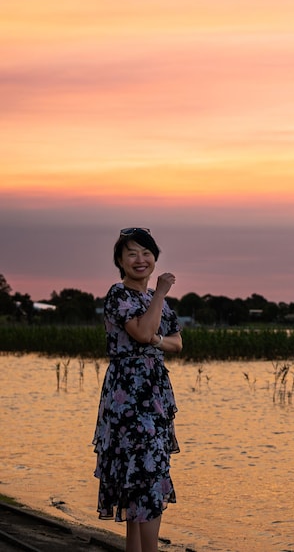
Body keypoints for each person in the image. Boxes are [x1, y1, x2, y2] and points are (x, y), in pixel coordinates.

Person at [93, 227, 183, 552]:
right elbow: (144, 333)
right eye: (131, 253)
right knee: (145, 475)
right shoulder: (120, 295)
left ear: (155, 258)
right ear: (120, 261)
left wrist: (157, 337)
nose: (140, 259)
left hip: (154, 394)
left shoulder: (150, 300)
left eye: (146, 253)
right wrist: (160, 293)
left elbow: (176, 342)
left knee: (144, 475)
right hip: (128, 396)